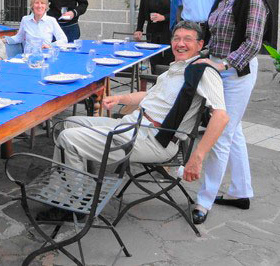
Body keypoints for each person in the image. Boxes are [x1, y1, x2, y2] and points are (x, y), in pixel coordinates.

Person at [41, 21, 229, 221]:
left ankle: (75, 207)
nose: (180, 44)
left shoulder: (203, 72)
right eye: (176, 38)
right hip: (133, 124)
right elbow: (147, 96)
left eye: (187, 39)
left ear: (200, 45)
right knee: (70, 123)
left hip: (155, 140)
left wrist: (197, 158)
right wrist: (120, 98)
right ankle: (77, 189)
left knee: (69, 138)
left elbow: (221, 116)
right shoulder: (173, 70)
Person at [193, 0, 274, 225]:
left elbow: (254, 43)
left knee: (220, 134)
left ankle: (204, 201)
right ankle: (241, 191)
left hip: (235, 73)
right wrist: (202, 55)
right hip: (218, 69)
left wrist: (223, 64)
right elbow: (215, 34)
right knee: (234, 131)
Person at [134, 0, 174, 67]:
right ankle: (155, 83)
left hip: (169, 30)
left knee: (169, 61)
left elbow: (178, 11)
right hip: (152, 30)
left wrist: (164, 17)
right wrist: (139, 29)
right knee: (154, 61)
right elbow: (142, 10)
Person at [4, 0, 68, 52]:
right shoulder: (25, 20)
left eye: (42, 3)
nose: (39, 6)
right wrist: (5, 40)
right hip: (28, 57)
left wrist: (50, 45)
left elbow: (63, 39)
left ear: (46, 6)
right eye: (37, 3)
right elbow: (20, 37)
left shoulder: (51, 21)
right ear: (32, 5)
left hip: (45, 56)